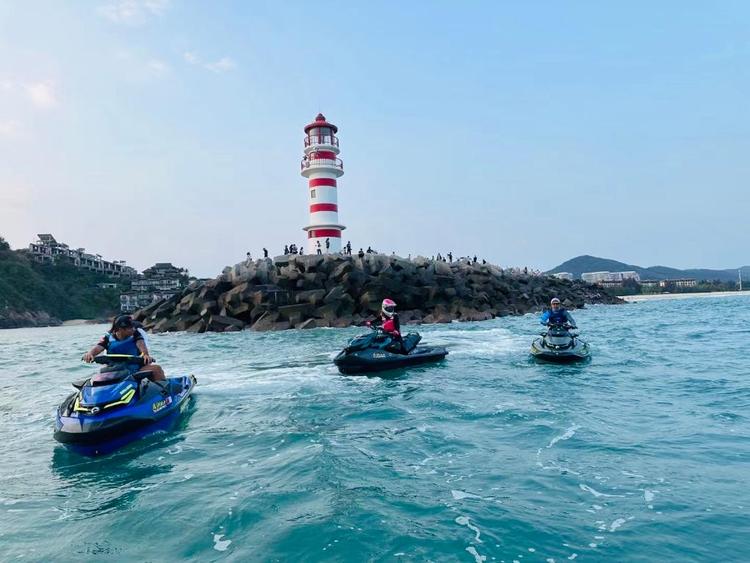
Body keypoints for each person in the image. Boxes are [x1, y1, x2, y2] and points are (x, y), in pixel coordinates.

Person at [82, 315, 165, 381]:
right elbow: (98, 348)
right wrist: (90, 354)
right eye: (129, 328)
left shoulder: (136, 335)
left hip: (135, 369)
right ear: (120, 329)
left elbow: (141, 344)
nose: (133, 329)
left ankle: (164, 394)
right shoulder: (108, 338)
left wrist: (145, 354)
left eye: (133, 327)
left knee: (156, 369)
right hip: (114, 369)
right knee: (97, 377)